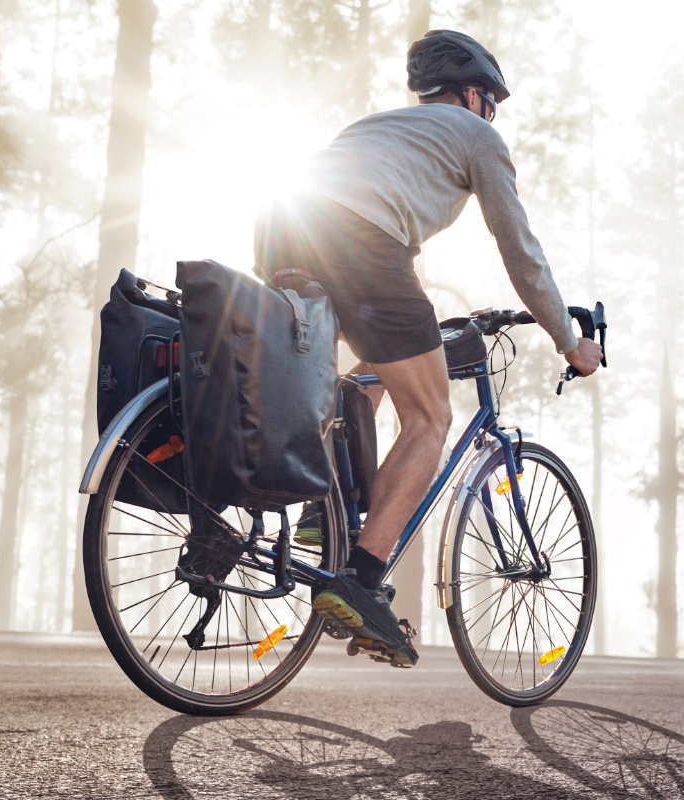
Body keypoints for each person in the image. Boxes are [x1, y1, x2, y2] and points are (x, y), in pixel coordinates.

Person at [254, 30, 602, 666]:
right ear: (471, 95)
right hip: (360, 241)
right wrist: (568, 337)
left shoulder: (381, 126)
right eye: (489, 103)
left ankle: (319, 509)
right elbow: (520, 252)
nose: (491, 115)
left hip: (281, 230)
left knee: (367, 377)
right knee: (431, 416)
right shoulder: (476, 137)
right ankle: (360, 581)